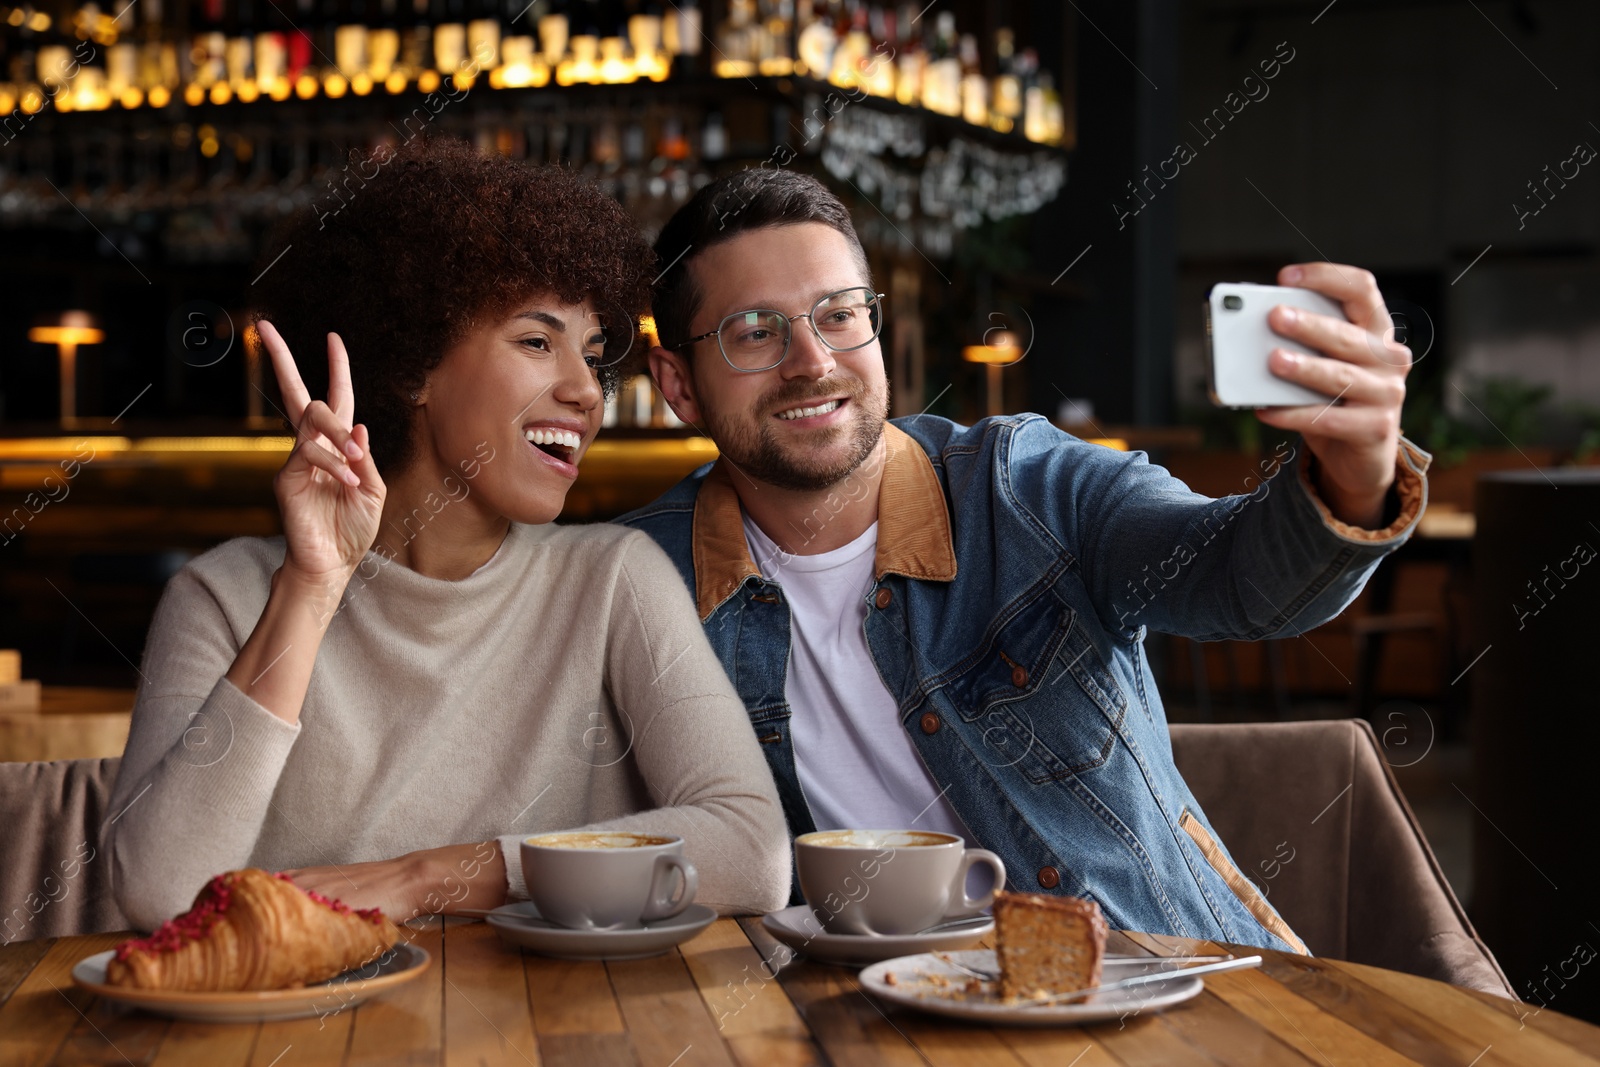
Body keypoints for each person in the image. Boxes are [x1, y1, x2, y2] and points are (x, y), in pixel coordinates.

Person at [617, 169, 1431, 954]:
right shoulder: (641, 575)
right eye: (755, 332)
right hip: (871, 1026)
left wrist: (1354, 477)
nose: (813, 360)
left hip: (1165, 993)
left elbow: (1243, 580)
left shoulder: (1026, 487)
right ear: (678, 384)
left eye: (838, 315)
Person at [104, 140, 790, 931]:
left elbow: (753, 851)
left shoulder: (610, 580)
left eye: (593, 356)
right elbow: (158, 892)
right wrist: (313, 586)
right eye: (537, 342)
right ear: (411, 367)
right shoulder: (224, 598)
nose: (583, 392)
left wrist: (430, 875)